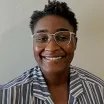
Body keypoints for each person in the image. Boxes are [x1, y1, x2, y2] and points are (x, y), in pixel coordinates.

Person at [0, 0, 104, 104]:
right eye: (42, 38)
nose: (52, 48)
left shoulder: (99, 90)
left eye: (62, 37)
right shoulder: (7, 95)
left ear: (75, 43)